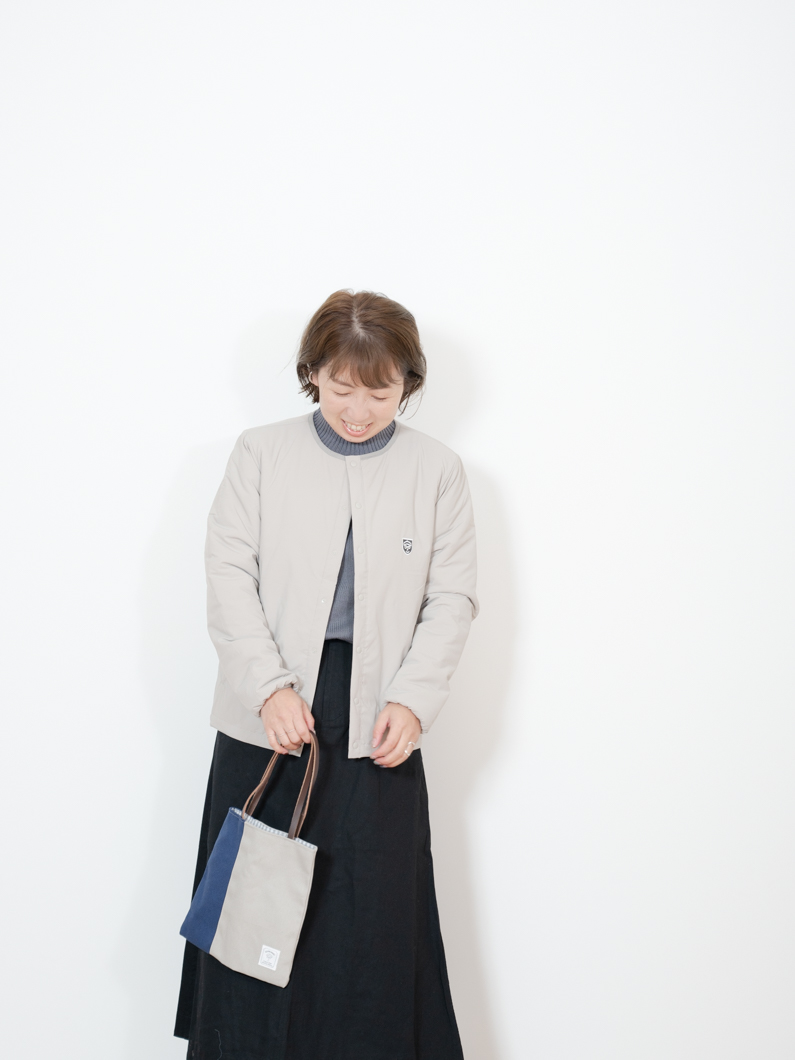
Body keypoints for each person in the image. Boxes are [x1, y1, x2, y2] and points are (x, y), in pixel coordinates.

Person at [174, 289, 479, 1059]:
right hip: (271, 716)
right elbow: (227, 575)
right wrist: (268, 688)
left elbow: (452, 599)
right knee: (251, 912)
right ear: (312, 373)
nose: (358, 410)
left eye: (380, 392)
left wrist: (413, 700)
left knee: (373, 916)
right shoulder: (259, 453)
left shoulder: (437, 471)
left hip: (380, 718)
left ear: (408, 383)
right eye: (342, 387)